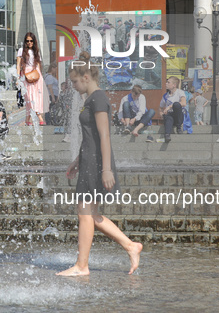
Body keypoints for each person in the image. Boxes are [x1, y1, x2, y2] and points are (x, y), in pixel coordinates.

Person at [57, 55, 142, 277]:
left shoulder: (99, 99)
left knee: (85, 214)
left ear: (86, 77)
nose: (73, 86)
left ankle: (81, 266)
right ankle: (131, 246)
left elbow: (105, 136)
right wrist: (77, 160)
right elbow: (90, 136)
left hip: (97, 163)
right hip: (88, 161)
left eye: (75, 82)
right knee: (90, 215)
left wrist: (106, 169)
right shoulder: (90, 99)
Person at [17, 32, 45, 125]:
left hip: (36, 75)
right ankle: (39, 117)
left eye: (31, 41)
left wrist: (40, 77)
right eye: (27, 41)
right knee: (29, 97)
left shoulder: (36, 51)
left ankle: (27, 120)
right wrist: (18, 78)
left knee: (35, 97)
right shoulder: (21, 50)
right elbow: (18, 65)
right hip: (26, 75)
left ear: (34, 41)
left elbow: (38, 65)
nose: (29, 42)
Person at [159, 76, 187, 143]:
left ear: (174, 85)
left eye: (168, 82)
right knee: (168, 118)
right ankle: (167, 135)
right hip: (169, 115)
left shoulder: (180, 92)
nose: (166, 83)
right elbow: (160, 107)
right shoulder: (165, 95)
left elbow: (183, 103)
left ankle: (179, 127)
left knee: (176, 104)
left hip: (178, 116)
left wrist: (169, 106)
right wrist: (161, 114)